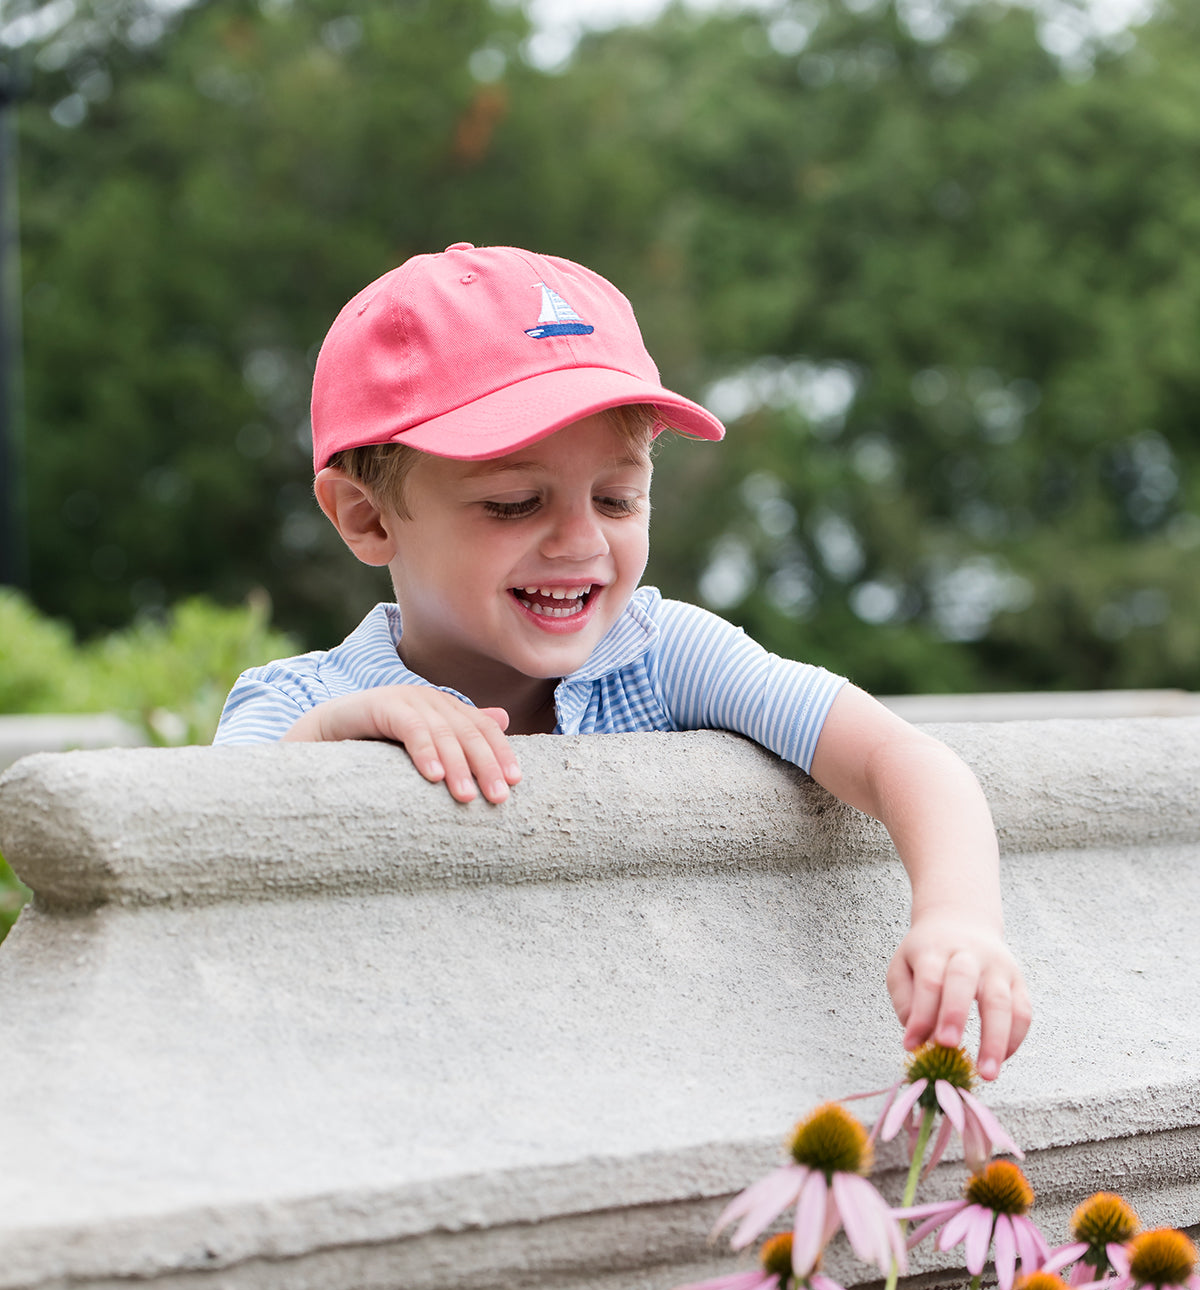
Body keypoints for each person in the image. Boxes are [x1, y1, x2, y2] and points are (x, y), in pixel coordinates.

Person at [216, 242, 1031, 1080]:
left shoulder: (660, 653)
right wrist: (338, 733)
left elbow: (904, 756)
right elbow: (204, 857)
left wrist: (958, 917)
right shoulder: (295, 704)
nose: (581, 541)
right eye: (514, 503)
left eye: (617, 498)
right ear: (366, 517)